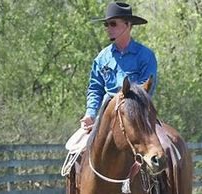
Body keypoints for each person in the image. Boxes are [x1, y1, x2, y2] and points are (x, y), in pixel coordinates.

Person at [62, 2, 157, 193]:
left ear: (128, 25)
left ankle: (158, 186)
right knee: (75, 150)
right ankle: (76, 186)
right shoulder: (102, 58)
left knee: (161, 151)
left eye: (113, 24)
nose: (108, 28)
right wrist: (90, 113)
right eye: (106, 24)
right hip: (106, 117)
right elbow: (95, 88)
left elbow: (145, 89)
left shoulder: (145, 56)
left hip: (137, 117)